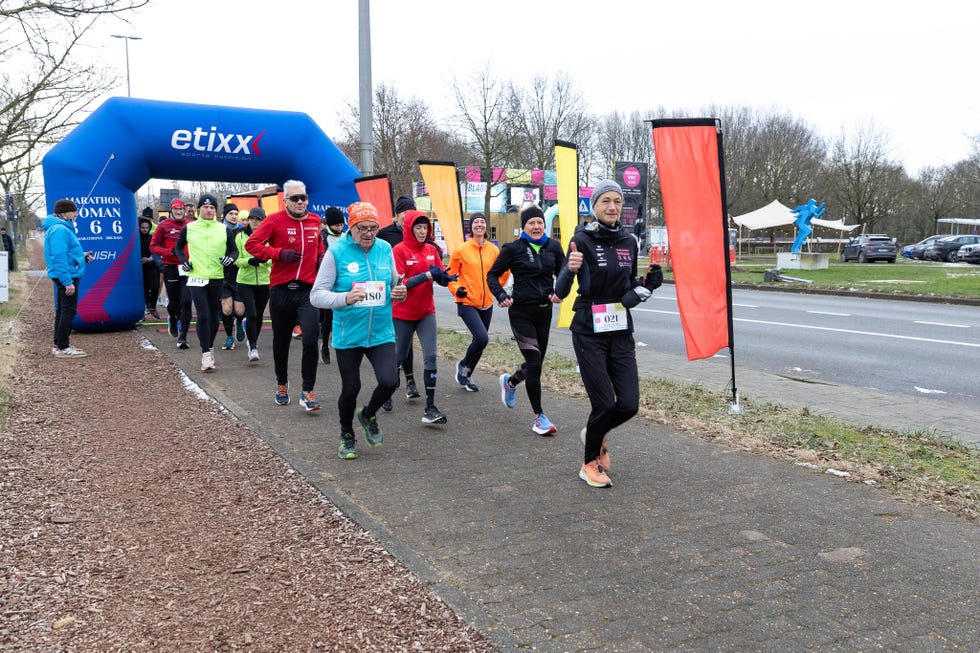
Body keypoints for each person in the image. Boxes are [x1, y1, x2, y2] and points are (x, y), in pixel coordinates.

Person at [554, 179, 663, 488]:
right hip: (589, 330)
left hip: (620, 330)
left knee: (629, 404)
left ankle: (595, 432)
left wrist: (647, 285)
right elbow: (559, 292)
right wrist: (570, 269)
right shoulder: (581, 240)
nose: (612, 207)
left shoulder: (630, 242)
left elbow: (628, 291)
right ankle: (589, 463)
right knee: (604, 405)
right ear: (594, 207)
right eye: (605, 202)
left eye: (617, 201)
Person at [310, 201, 407, 459]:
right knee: (351, 388)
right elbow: (316, 296)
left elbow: (395, 282)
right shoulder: (337, 252)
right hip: (349, 334)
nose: (369, 233)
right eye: (362, 228)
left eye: (373, 227)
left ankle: (367, 414)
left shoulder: (385, 249)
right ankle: (346, 434)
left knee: (390, 381)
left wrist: (401, 292)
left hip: (381, 331)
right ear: (350, 227)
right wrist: (345, 299)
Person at [245, 180, 325, 411]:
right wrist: (278, 253)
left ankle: (307, 390)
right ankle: (282, 383)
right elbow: (253, 245)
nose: (300, 202)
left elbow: (319, 245)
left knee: (311, 338)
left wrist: (320, 258)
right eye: (294, 198)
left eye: (303, 197)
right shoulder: (274, 220)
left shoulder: (315, 221)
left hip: (307, 290)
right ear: (285, 200)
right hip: (281, 290)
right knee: (281, 342)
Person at [486, 204, 566, 436]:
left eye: (539, 222)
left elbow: (563, 274)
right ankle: (539, 416)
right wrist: (501, 295)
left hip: (544, 312)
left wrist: (560, 292)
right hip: (521, 312)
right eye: (531, 223)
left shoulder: (553, 246)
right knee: (534, 364)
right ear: (524, 226)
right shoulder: (514, 248)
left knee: (536, 363)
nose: (536, 226)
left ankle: (510, 382)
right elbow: (492, 274)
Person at [392, 210, 456, 425]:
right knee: (398, 357)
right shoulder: (398, 250)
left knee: (430, 356)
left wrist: (448, 279)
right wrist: (426, 275)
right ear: (409, 228)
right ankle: (386, 393)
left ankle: (430, 407)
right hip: (402, 314)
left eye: (425, 227)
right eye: (417, 227)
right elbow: (401, 285)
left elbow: (440, 276)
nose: (422, 231)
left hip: (426, 312)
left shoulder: (431, 249)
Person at [174, 194, 238, 372]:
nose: (209, 210)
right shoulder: (190, 227)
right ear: (199, 209)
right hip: (196, 276)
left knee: (213, 316)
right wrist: (183, 260)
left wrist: (230, 259)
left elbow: (234, 251)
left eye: (212, 208)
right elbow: (178, 247)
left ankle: (209, 346)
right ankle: (205, 355)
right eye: (205, 207)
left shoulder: (223, 229)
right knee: (202, 315)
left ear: (215, 211)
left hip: (216, 277)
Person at [446, 213, 507, 392]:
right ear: (471, 227)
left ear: (485, 227)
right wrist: (457, 289)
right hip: (467, 302)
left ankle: (466, 372)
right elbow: (449, 275)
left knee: (481, 342)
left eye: (482, 222)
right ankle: (464, 366)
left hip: (486, 302)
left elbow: (503, 272)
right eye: (476, 222)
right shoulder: (461, 250)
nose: (479, 225)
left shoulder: (493, 250)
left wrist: (496, 288)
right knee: (482, 337)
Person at [376, 194, 420, 407]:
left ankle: (410, 381)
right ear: (398, 213)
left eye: (411, 212)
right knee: (395, 341)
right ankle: (389, 388)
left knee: (406, 340)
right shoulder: (385, 234)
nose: (408, 217)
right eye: (405, 213)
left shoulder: (417, 232)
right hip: (390, 293)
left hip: (413, 294)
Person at [42, 199, 91, 358]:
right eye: (73, 211)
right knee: (68, 311)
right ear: (65, 212)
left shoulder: (60, 228)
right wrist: (67, 282)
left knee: (62, 310)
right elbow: (58, 257)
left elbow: (67, 253)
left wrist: (81, 257)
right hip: (67, 275)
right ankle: (63, 347)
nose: (76, 214)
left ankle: (59, 344)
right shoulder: (60, 230)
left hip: (66, 273)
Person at [150, 198, 195, 347]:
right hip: (170, 267)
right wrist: (168, 252)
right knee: (174, 302)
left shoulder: (190, 224)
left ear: (184, 211)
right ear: (171, 211)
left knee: (187, 301)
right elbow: (154, 246)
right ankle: (173, 317)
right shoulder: (164, 225)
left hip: (188, 267)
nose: (178, 211)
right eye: (175, 209)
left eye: (180, 209)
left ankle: (183, 337)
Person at [235, 206, 272, 362]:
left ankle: (252, 341)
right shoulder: (240, 237)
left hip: (264, 281)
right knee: (251, 313)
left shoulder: (269, 237)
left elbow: (273, 256)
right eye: (252, 219)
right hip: (245, 281)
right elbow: (236, 260)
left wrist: (263, 260)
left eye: (258, 219)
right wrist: (249, 261)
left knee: (258, 315)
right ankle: (254, 346)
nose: (255, 222)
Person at [319, 206, 346, 364]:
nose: (339, 228)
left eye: (341, 225)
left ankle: (345, 345)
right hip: (330, 280)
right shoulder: (323, 238)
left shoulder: (345, 236)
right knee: (328, 315)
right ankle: (324, 345)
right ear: (329, 225)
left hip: (344, 279)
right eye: (336, 225)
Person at [219, 202, 246, 350]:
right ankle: (229, 337)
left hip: (240, 276)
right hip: (224, 277)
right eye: (231, 214)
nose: (234, 216)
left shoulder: (242, 232)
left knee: (240, 311)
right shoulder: (219, 230)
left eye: (236, 213)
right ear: (225, 215)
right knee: (227, 309)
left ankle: (240, 322)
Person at [138, 217, 160, 319]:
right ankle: (144, 309)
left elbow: (157, 250)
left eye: (147, 227)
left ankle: (152, 306)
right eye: (142, 227)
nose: (145, 229)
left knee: (155, 287)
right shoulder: (136, 239)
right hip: (140, 267)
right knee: (144, 289)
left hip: (152, 266)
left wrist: (150, 258)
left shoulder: (152, 237)